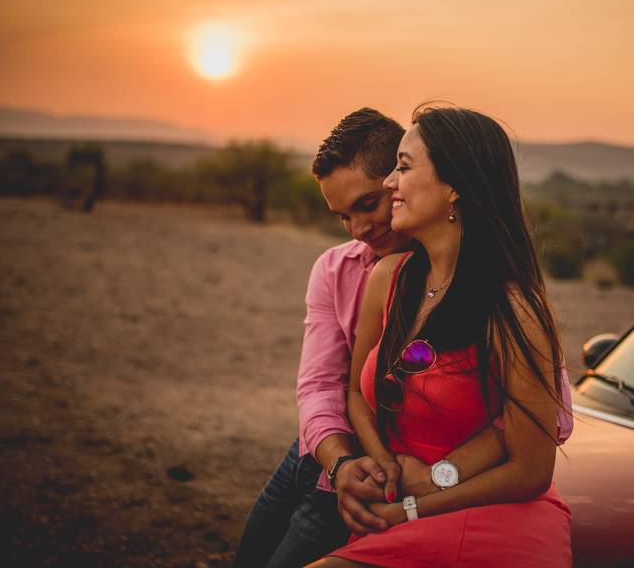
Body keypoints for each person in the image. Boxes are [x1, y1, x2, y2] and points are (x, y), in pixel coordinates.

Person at [234, 107, 573, 567]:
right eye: (341, 218)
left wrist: (434, 480)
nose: (358, 231)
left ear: (454, 187)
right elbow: (327, 388)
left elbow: (543, 427)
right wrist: (351, 463)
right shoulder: (373, 275)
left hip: (435, 499)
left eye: (369, 201)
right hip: (341, 458)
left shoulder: (508, 305)